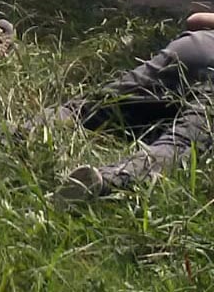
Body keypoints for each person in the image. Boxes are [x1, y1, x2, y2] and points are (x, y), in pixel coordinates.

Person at [50, 12, 214, 205]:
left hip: (194, 48)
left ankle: (27, 132)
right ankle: (106, 181)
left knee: (90, 109)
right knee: (182, 143)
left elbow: (195, 20)